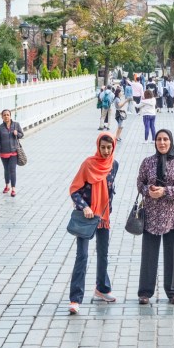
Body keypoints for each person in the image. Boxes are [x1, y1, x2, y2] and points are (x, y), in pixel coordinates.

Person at [137, 129, 174, 305]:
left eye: (165, 139)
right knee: (149, 254)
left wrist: (165, 191)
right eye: (159, 139)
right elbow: (140, 183)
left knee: (173, 254)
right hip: (152, 214)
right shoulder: (147, 162)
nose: (162, 143)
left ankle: (172, 291)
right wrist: (148, 191)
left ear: (171, 141)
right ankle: (145, 292)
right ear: (155, 142)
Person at [68, 133, 118, 314]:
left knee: (103, 255)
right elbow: (74, 189)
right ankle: (75, 298)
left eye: (108, 147)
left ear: (113, 147)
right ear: (98, 146)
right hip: (87, 217)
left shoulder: (114, 165)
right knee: (82, 256)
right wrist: (85, 207)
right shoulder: (88, 164)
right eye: (102, 147)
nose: (105, 151)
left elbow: (110, 190)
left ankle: (102, 288)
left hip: (103, 217)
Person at [0, 108, 24, 196]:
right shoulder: (0, 128)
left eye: (8, 115)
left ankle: (13, 189)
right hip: (4, 153)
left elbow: (22, 134)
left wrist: (17, 134)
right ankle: (7, 185)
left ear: (10, 116)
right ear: (2, 117)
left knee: (12, 170)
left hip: (14, 152)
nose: (6, 116)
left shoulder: (16, 125)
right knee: (6, 170)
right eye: (4, 115)